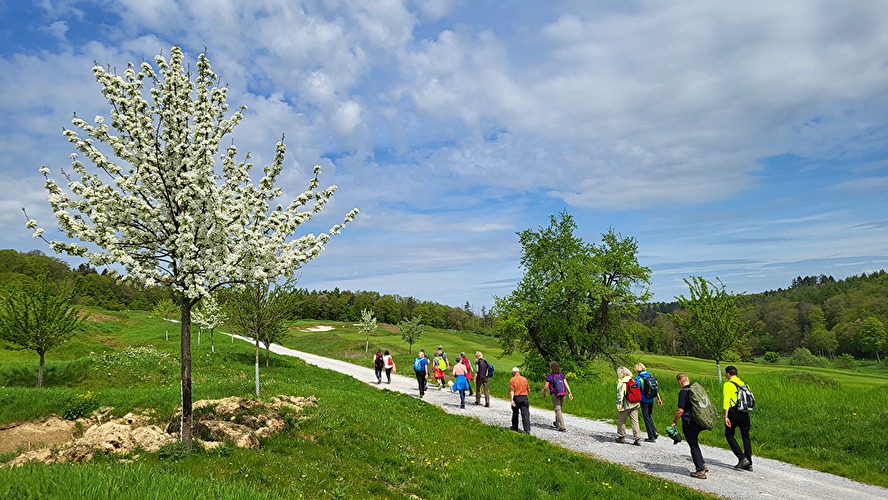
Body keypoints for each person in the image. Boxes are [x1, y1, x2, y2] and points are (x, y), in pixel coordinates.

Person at [672, 373, 707, 479]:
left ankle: (700, 470)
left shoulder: (683, 392)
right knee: (695, 443)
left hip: (690, 422)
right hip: (700, 420)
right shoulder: (695, 389)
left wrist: (674, 421)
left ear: (679, 382)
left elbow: (680, 410)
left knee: (693, 445)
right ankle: (702, 464)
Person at [723, 365, 753, 471]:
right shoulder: (744, 384)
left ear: (728, 374)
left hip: (734, 412)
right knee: (746, 436)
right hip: (745, 412)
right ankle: (749, 463)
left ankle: (742, 458)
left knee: (729, 434)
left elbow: (726, 401)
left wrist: (726, 416)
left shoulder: (728, 384)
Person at [635, 362, 663, 442]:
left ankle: (651, 436)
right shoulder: (650, 376)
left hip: (644, 400)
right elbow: (655, 389)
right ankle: (654, 432)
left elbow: (636, 389)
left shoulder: (638, 378)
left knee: (646, 417)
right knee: (649, 416)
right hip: (651, 399)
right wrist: (659, 399)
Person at [541, 361, 572, 432]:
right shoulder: (561, 375)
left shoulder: (550, 376)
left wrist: (544, 393)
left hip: (555, 394)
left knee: (558, 409)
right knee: (559, 409)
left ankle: (562, 426)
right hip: (563, 393)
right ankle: (557, 423)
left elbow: (546, 387)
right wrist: (570, 393)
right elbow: (566, 384)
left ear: (551, 368)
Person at [615, 366, 642, 445]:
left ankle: (621, 437)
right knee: (635, 421)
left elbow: (620, 395)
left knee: (621, 420)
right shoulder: (632, 380)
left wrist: (618, 404)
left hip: (625, 404)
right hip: (635, 404)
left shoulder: (622, 382)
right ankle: (637, 438)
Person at [509, 367, 531, 433]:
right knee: (525, 414)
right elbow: (528, 389)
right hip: (524, 397)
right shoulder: (524, 379)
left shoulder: (512, 379)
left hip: (517, 397)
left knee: (515, 412)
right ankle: (527, 429)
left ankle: (515, 427)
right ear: (519, 372)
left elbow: (512, 390)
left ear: (513, 373)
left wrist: (512, 400)